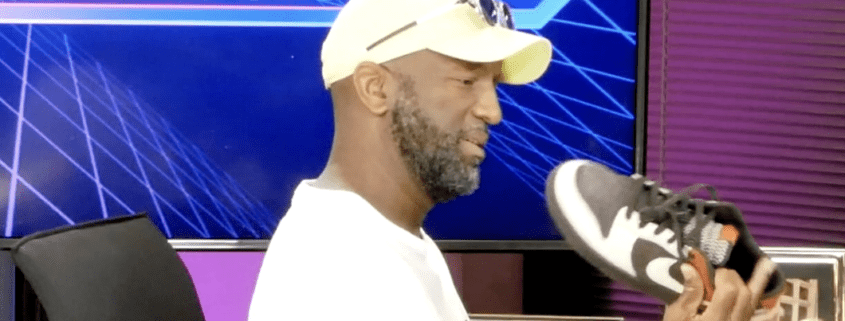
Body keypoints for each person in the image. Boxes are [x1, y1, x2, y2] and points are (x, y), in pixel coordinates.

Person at [248, 0, 778, 320]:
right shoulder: (339, 277)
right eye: (466, 80)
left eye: (494, 84)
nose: (494, 111)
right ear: (374, 87)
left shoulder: (387, 242)